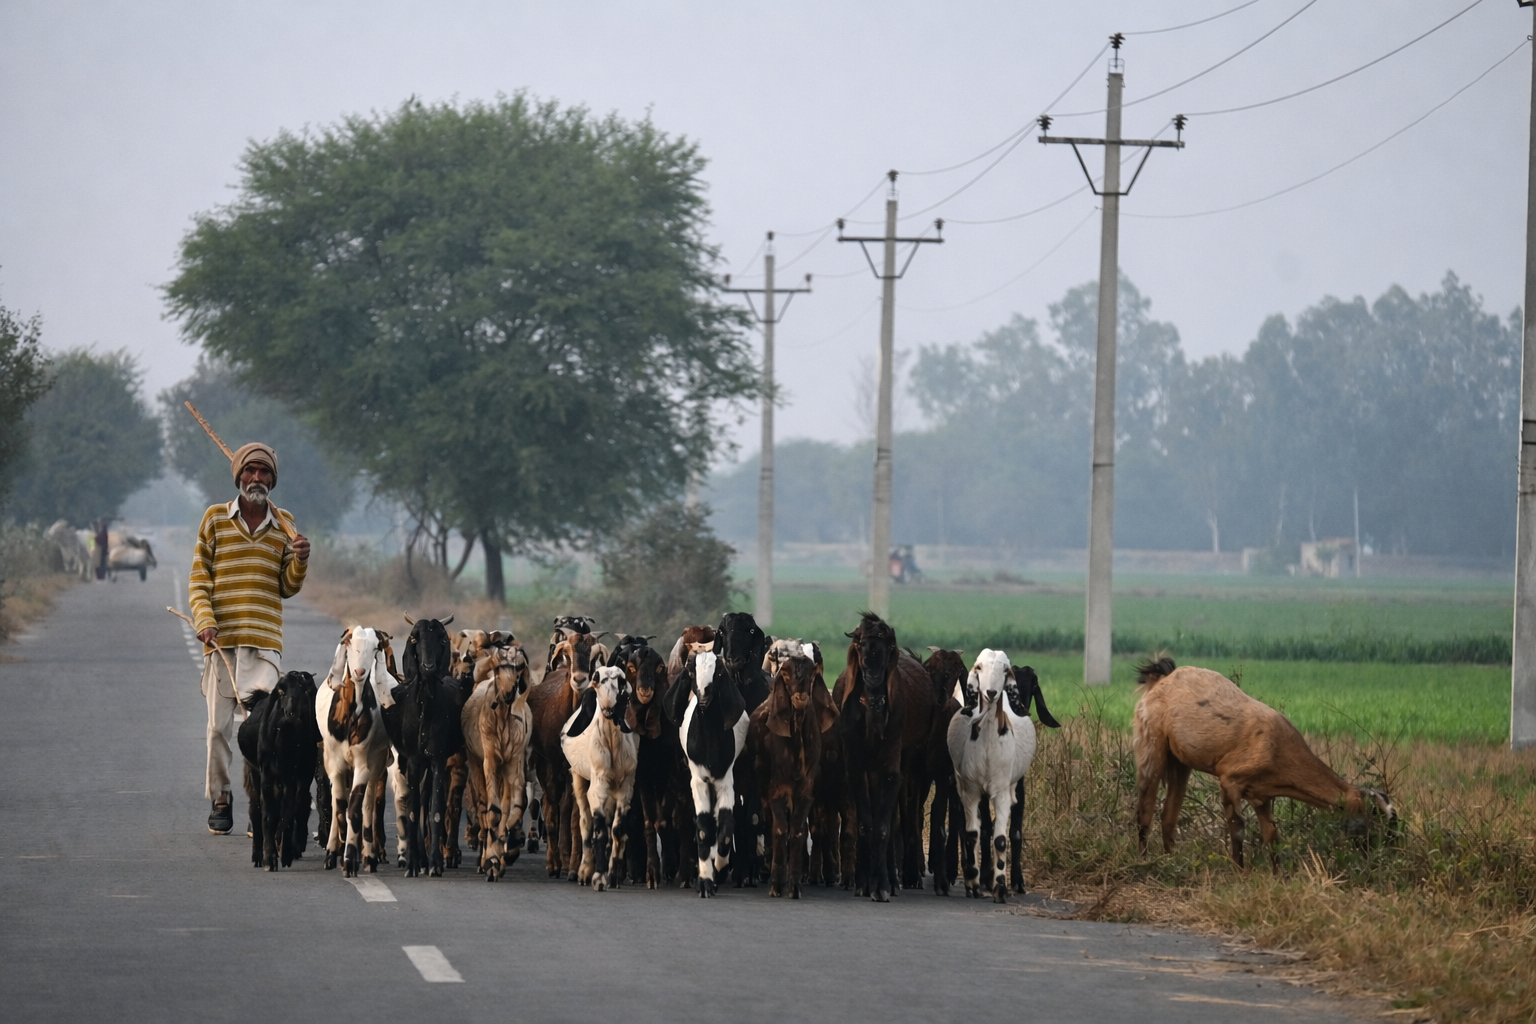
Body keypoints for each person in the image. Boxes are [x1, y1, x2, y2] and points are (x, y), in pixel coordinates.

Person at [188, 442, 310, 835]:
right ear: (238, 476)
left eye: (264, 472)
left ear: (273, 480)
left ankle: (262, 801)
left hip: (264, 645)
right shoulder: (215, 520)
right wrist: (205, 620)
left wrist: (301, 559)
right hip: (221, 643)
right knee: (218, 729)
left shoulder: (285, 525)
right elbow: (199, 579)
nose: (256, 478)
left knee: (265, 729)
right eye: (250, 471)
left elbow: (287, 588)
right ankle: (221, 798)